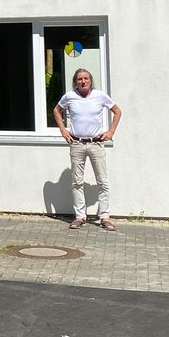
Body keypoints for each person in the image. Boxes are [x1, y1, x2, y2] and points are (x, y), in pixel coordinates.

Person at [53, 68, 122, 231]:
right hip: (77, 143)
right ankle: (80, 216)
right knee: (77, 181)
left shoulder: (100, 96)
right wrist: (63, 130)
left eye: (85, 78)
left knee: (102, 181)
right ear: (75, 82)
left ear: (90, 80)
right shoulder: (69, 97)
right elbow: (56, 110)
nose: (83, 81)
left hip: (96, 143)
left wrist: (110, 132)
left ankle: (104, 216)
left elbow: (117, 111)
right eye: (79, 79)